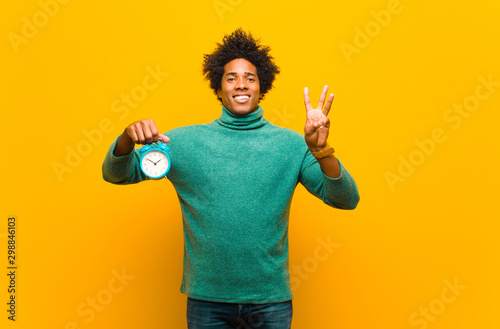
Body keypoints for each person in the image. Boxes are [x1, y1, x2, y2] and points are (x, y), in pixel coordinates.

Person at [102, 28, 359, 329]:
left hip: (270, 302)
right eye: (231, 77)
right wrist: (126, 138)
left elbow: (347, 199)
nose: (241, 85)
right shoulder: (181, 143)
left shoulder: (292, 145)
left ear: (261, 87)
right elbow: (116, 174)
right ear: (219, 87)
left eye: (250, 78)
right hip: (207, 302)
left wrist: (321, 151)